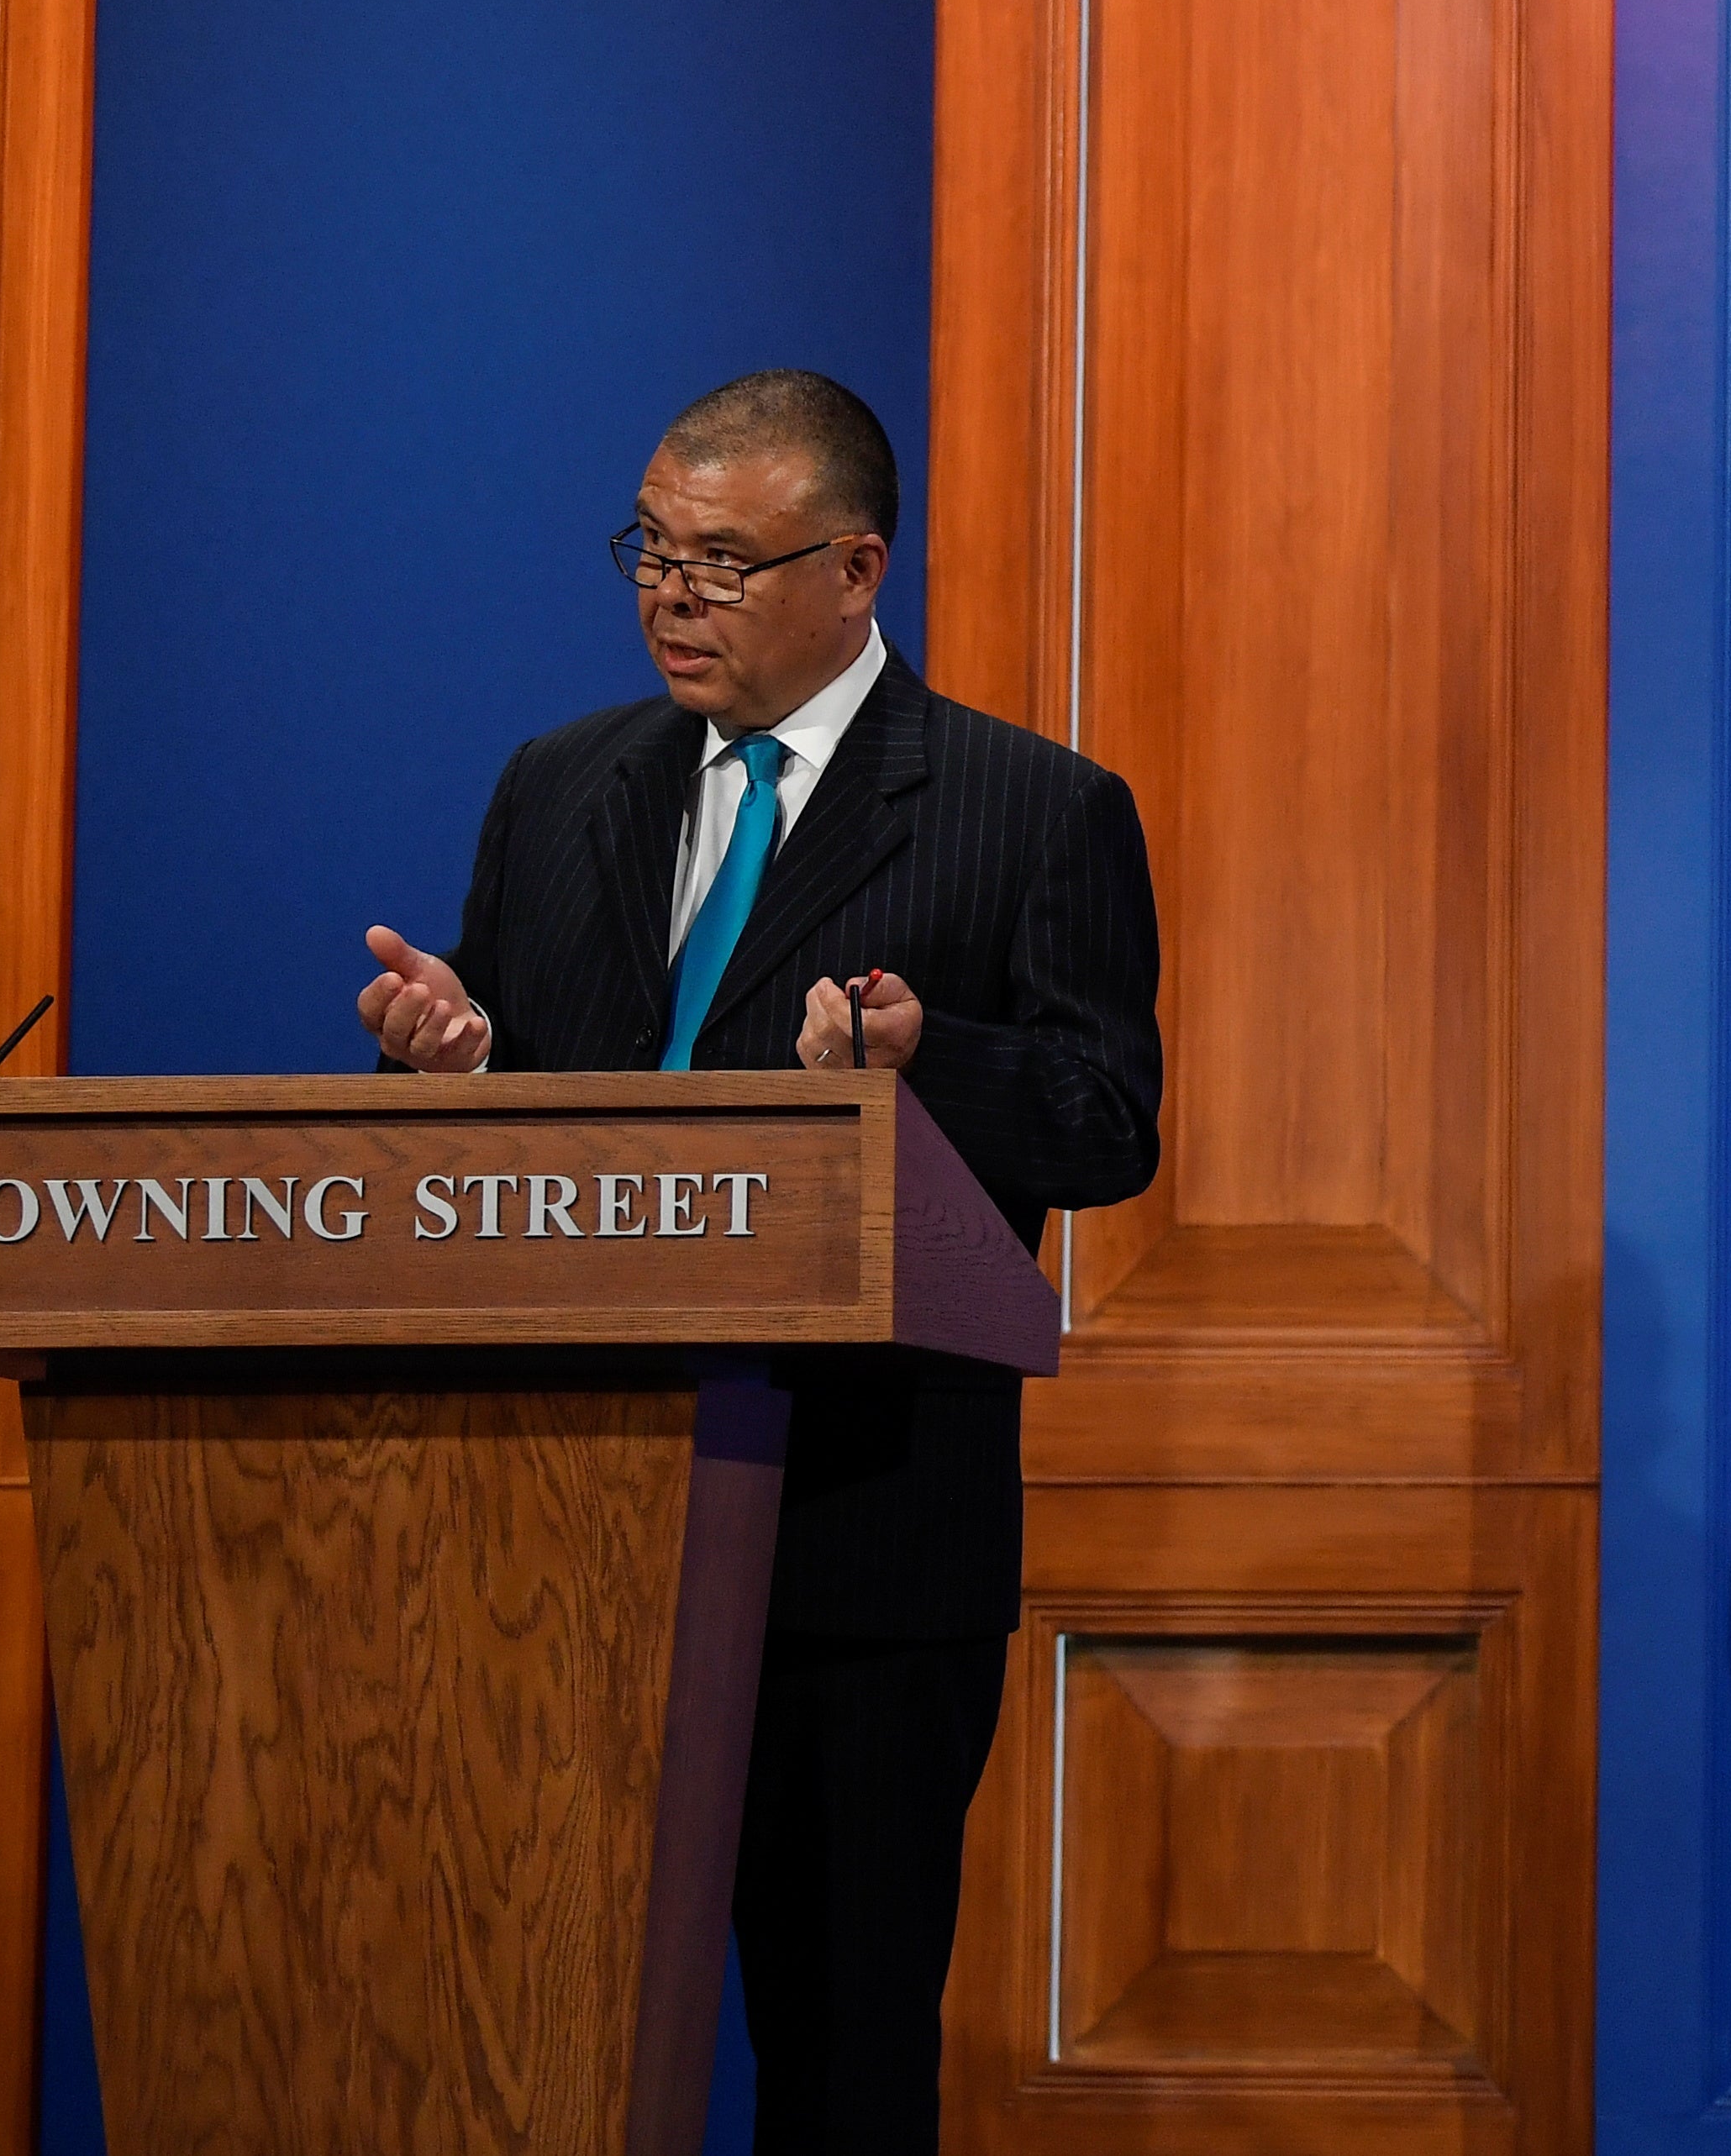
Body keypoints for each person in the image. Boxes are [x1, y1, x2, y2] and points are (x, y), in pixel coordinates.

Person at [352, 369, 1164, 2151]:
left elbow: (1111, 1122)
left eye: (723, 561)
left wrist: (923, 1056)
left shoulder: (1033, 809)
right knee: (527, 2027)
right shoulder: (558, 784)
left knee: (841, 2051)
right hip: (556, 1533)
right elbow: (550, 1134)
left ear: (858, 567)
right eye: (650, 547)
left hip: (858, 1537)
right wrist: (463, 1066)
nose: (669, 591)